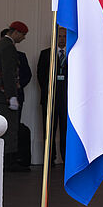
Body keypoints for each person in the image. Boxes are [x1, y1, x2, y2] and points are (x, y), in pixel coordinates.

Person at [0, 20, 30, 172]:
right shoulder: (9, 47)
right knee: (9, 128)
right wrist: (12, 96)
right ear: (16, 32)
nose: (23, 38)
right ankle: (8, 163)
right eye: (23, 35)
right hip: (3, 96)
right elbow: (8, 74)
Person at [36, 26, 68, 163]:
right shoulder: (45, 54)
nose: (61, 39)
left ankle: (67, 159)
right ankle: (50, 159)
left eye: (64, 36)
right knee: (49, 130)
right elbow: (40, 76)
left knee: (66, 132)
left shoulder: (73, 53)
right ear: (54, 37)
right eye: (59, 36)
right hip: (50, 99)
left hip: (67, 101)